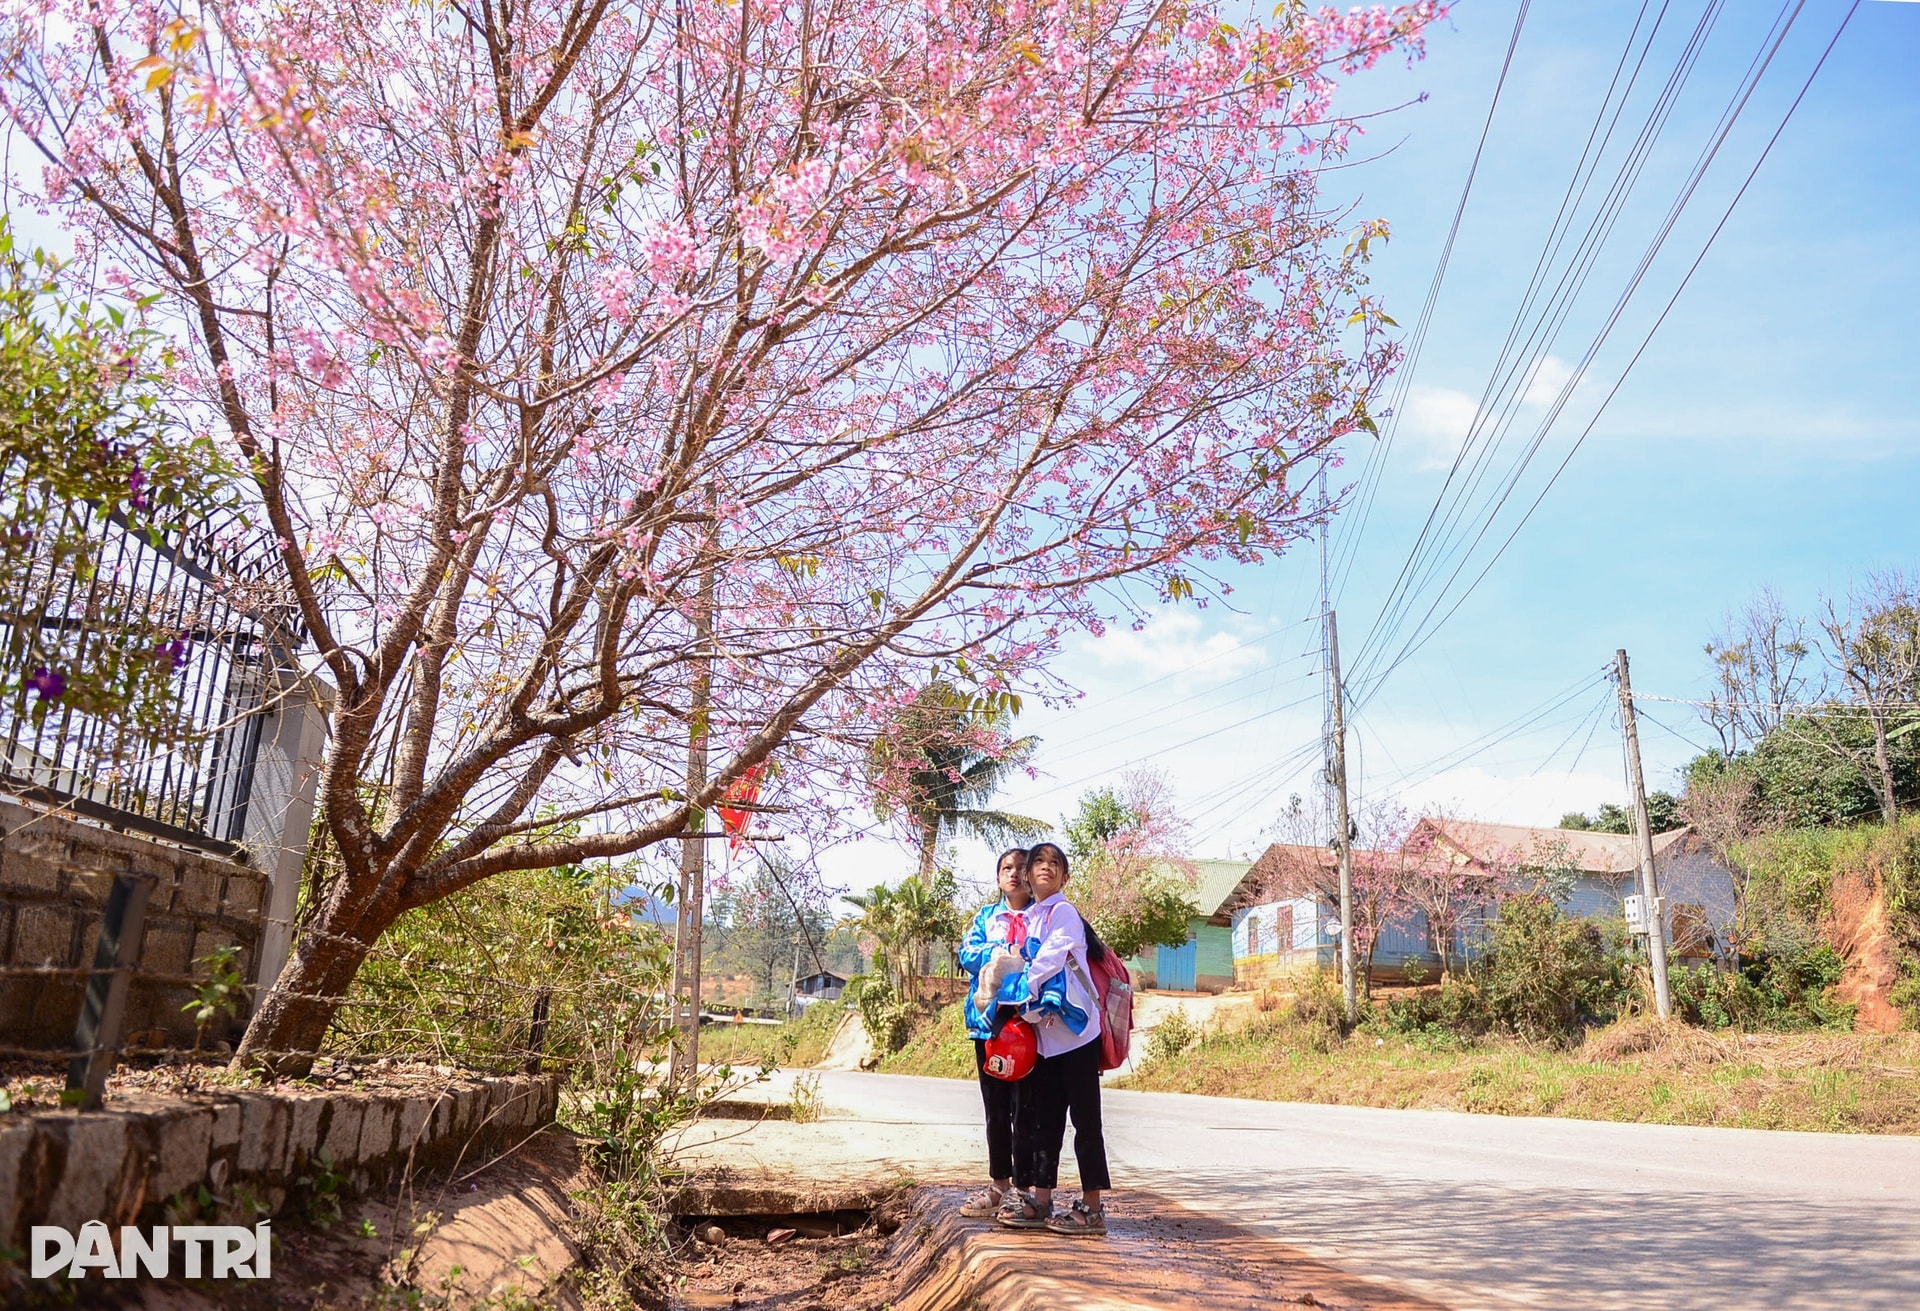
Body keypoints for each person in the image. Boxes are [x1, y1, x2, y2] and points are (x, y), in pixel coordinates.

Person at [998, 841, 1110, 1237]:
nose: (1046, 867)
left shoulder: (1063, 913)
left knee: (1085, 1122)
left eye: (1055, 863)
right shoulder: (1030, 917)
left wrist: (1019, 988)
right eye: (1039, 862)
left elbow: (1047, 960)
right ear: (1027, 876)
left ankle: (1092, 1209)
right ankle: (1041, 1200)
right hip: (1046, 1039)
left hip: (1078, 1035)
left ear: (1064, 877)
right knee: (1045, 1123)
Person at [956, 846, 1033, 1218]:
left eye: (1022, 867)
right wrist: (1001, 951)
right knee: (996, 1109)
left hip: (1029, 1026)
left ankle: (1025, 1188)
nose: (1014, 874)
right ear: (998, 876)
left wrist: (1023, 954)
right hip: (988, 1026)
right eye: (1007, 868)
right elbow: (967, 955)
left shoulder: (1042, 915)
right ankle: (999, 1185)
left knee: (1027, 1108)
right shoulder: (986, 917)